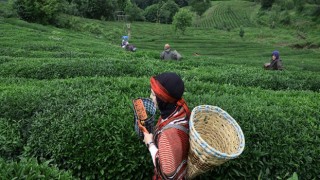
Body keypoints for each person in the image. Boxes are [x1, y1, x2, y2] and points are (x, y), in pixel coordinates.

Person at [143, 72, 191, 179]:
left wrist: (150, 143)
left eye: (153, 94)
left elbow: (168, 172)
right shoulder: (178, 109)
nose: (150, 97)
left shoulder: (169, 135)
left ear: (162, 98)